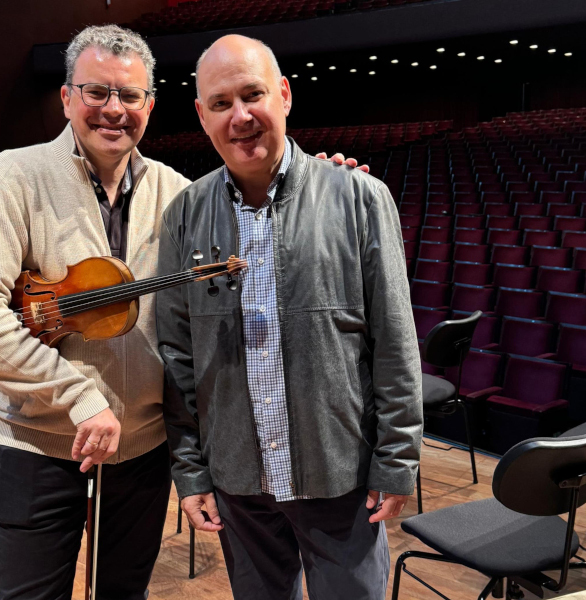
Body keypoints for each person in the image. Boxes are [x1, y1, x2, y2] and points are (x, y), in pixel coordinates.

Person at [0, 24, 364, 600]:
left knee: (124, 592)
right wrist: (77, 395)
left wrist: (322, 184)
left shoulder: (178, 194)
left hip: (141, 449)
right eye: (96, 92)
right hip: (41, 442)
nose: (113, 109)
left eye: (130, 96)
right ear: (66, 97)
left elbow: (256, 233)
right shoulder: (15, 175)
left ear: (151, 106)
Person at [156, 35, 424, 600]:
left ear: (284, 95)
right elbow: (178, 359)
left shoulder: (360, 197)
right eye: (222, 103)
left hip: (339, 473)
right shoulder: (184, 214)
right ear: (202, 116)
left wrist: (396, 460)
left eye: (253, 94)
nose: (242, 116)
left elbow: (395, 343)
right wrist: (192, 472)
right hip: (237, 480)